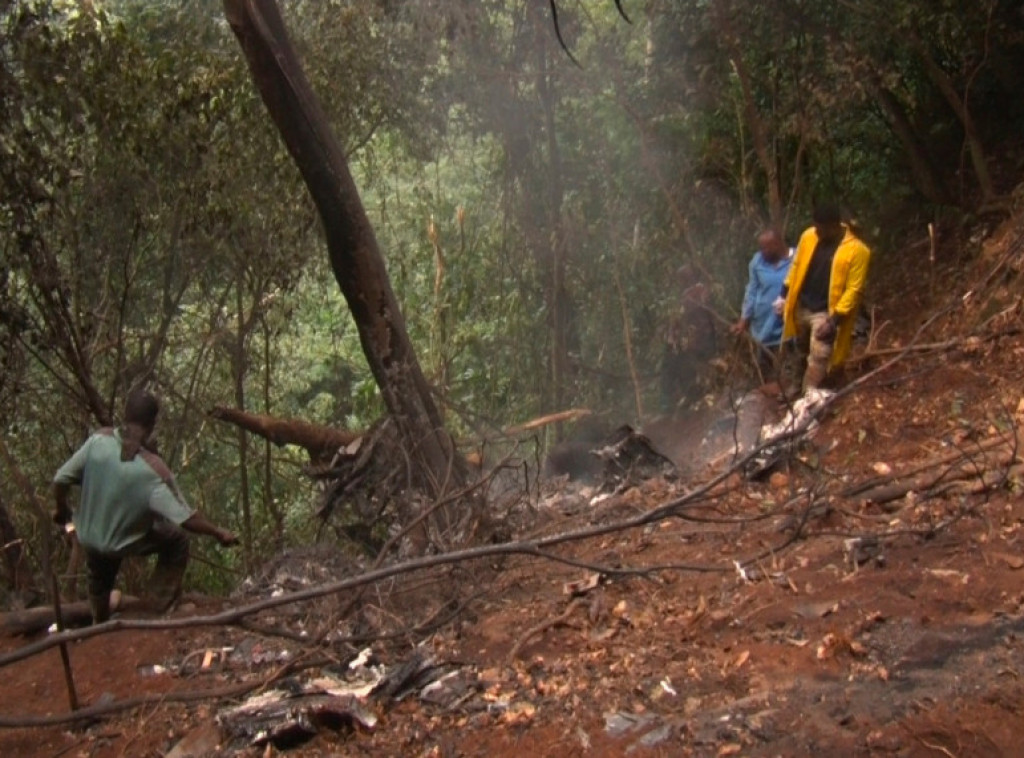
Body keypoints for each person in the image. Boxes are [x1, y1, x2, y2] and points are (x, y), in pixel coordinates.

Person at [53, 390, 238, 623]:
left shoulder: (97, 443)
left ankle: (98, 623)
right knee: (176, 540)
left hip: (92, 539)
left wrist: (62, 511)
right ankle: (155, 606)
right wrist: (217, 531)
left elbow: (60, 479)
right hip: (126, 539)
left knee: (98, 577)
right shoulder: (153, 470)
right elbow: (186, 519)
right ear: (152, 424)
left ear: (125, 415)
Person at [775, 203, 871, 392]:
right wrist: (783, 296)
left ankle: (807, 398)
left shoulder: (857, 250)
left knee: (819, 356)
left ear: (833, 226)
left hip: (826, 312)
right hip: (802, 304)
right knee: (800, 349)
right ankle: (795, 386)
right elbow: (796, 266)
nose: (816, 232)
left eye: (820, 229)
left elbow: (854, 290)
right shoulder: (808, 236)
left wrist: (834, 321)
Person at [731, 228, 792, 376]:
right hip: (762, 325)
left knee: (788, 368)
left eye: (766, 247)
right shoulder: (757, 262)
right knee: (764, 369)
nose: (762, 251)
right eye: (761, 247)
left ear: (777, 244)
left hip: (787, 325)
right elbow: (751, 291)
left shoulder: (796, 259)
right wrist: (744, 319)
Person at [660, 266, 718, 414]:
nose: (681, 282)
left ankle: (691, 395)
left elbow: (697, 316)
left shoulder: (699, 292)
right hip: (695, 340)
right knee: (673, 363)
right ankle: (681, 397)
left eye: (683, 278)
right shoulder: (689, 295)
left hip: (703, 340)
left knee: (680, 364)